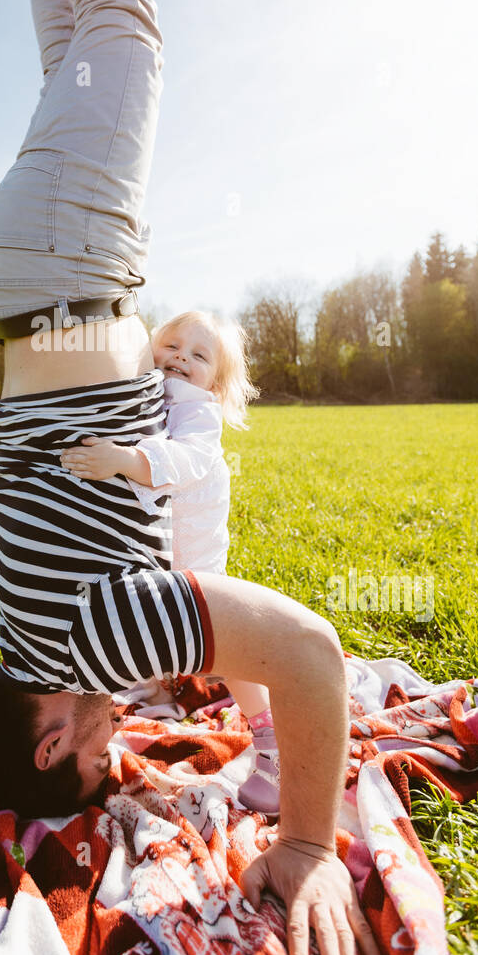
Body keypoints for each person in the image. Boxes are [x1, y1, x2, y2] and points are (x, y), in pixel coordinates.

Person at [0, 0, 385, 955]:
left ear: (48, 745)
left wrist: (305, 841)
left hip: (69, 257)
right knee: (77, 59)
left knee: (127, 35)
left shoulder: (92, 643)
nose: (118, 744)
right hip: (13, 276)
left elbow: (306, 653)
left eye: (96, 759)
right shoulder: (18, 632)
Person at [58, 308, 282, 816]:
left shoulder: (196, 408)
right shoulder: (149, 390)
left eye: (199, 355)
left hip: (195, 561)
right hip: (156, 557)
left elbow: (187, 461)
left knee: (228, 654)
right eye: (172, 345)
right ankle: (126, 698)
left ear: (215, 381)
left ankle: (273, 742)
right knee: (142, 631)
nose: (181, 357)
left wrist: (123, 460)